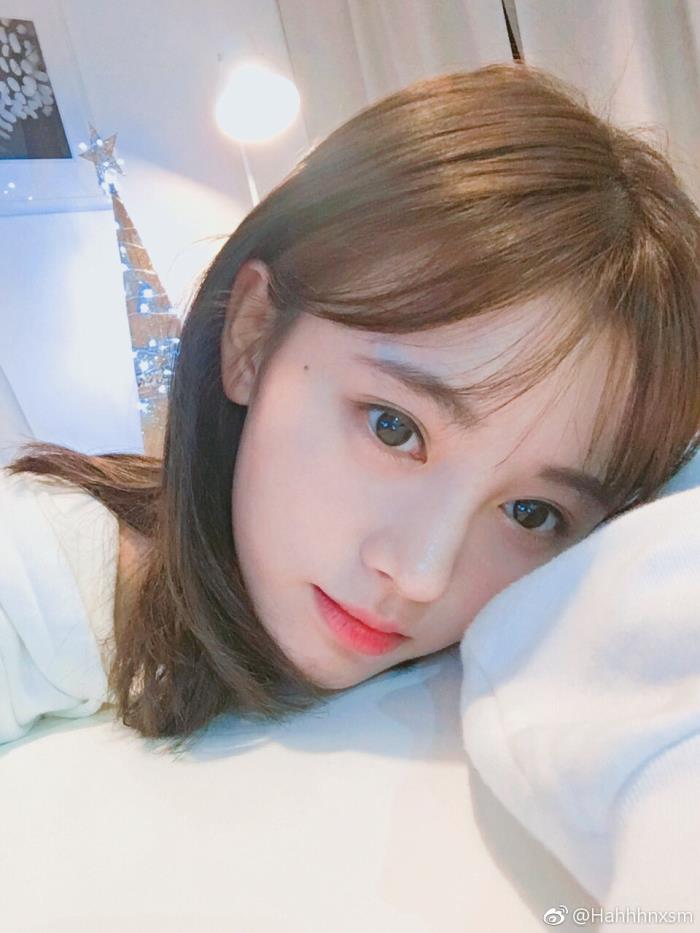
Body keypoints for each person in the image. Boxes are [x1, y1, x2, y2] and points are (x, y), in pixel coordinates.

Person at [5, 61, 700, 749]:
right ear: (253, 337)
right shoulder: (40, 573)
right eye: (393, 428)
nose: (422, 576)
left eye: (531, 513)